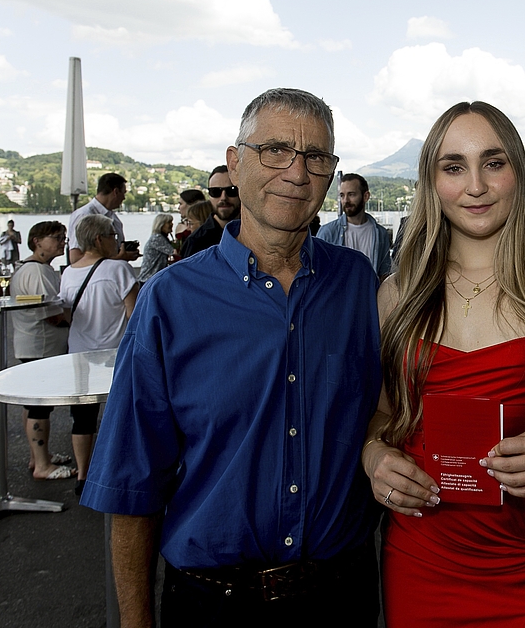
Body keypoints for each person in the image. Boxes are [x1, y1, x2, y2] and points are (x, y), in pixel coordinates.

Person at [80, 88, 382, 627]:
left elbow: (382, 413)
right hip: (212, 606)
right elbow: (133, 485)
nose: (296, 172)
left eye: (316, 157)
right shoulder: (168, 302)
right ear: (235, 163)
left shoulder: (361, 286)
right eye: (275, 150)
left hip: (342, 594)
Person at [362, 101, 525, 627]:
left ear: (518, 173)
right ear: (432, 183)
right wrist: (372, 458)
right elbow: (383, 418)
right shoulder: (396, 295)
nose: (475, 185)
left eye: (493, 163)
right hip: (424, 554)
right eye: (454, 167)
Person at [60, 214, 139, 494]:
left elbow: (68, 314)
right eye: (112, 236)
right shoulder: (119, 270)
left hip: (78, 353)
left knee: (82, 417)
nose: (116, 242)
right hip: (114, 354)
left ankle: (82, 475)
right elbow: (135, 314)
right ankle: (116, 472)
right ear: (99, 239)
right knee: (121, 413)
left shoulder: (69, 273)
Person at [9, 221, 75, 480]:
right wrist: (77, 318)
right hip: (41, 345)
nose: (62, 242)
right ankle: (42, 465)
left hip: (34, 343)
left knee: (32, 404)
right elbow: (53, 314)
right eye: (56, 237)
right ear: (37, 240)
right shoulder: (36, 272)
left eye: (63, 237)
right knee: (39, 406)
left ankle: (39, 456)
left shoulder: (33, 269)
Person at [317, 173, 392, 277]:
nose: (345, 201)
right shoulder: (328, 232)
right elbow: (317, 272)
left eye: (351, 194)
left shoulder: (380, 233)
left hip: (370, 293)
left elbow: (384, 273)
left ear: (366, 196)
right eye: (342, 195)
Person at [67, 172, 139, 264]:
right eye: (123, 193)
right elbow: (75, 258)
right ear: (116, 192)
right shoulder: (84, 215)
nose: (124, 198)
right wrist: (119, 258)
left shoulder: (113, 217)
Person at [180, 165, 241, 258]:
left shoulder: (258, 234)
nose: (223, 198)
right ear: (209, 195)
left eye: (231, 191)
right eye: (215, 192)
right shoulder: (196, 242)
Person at [136, 213, 176, 283]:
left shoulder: (162, 238)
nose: (171, 224)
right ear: (161, 225)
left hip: (153, 278)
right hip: (148, 278)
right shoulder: (157, 238)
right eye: (169, 222)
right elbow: (174, 252)